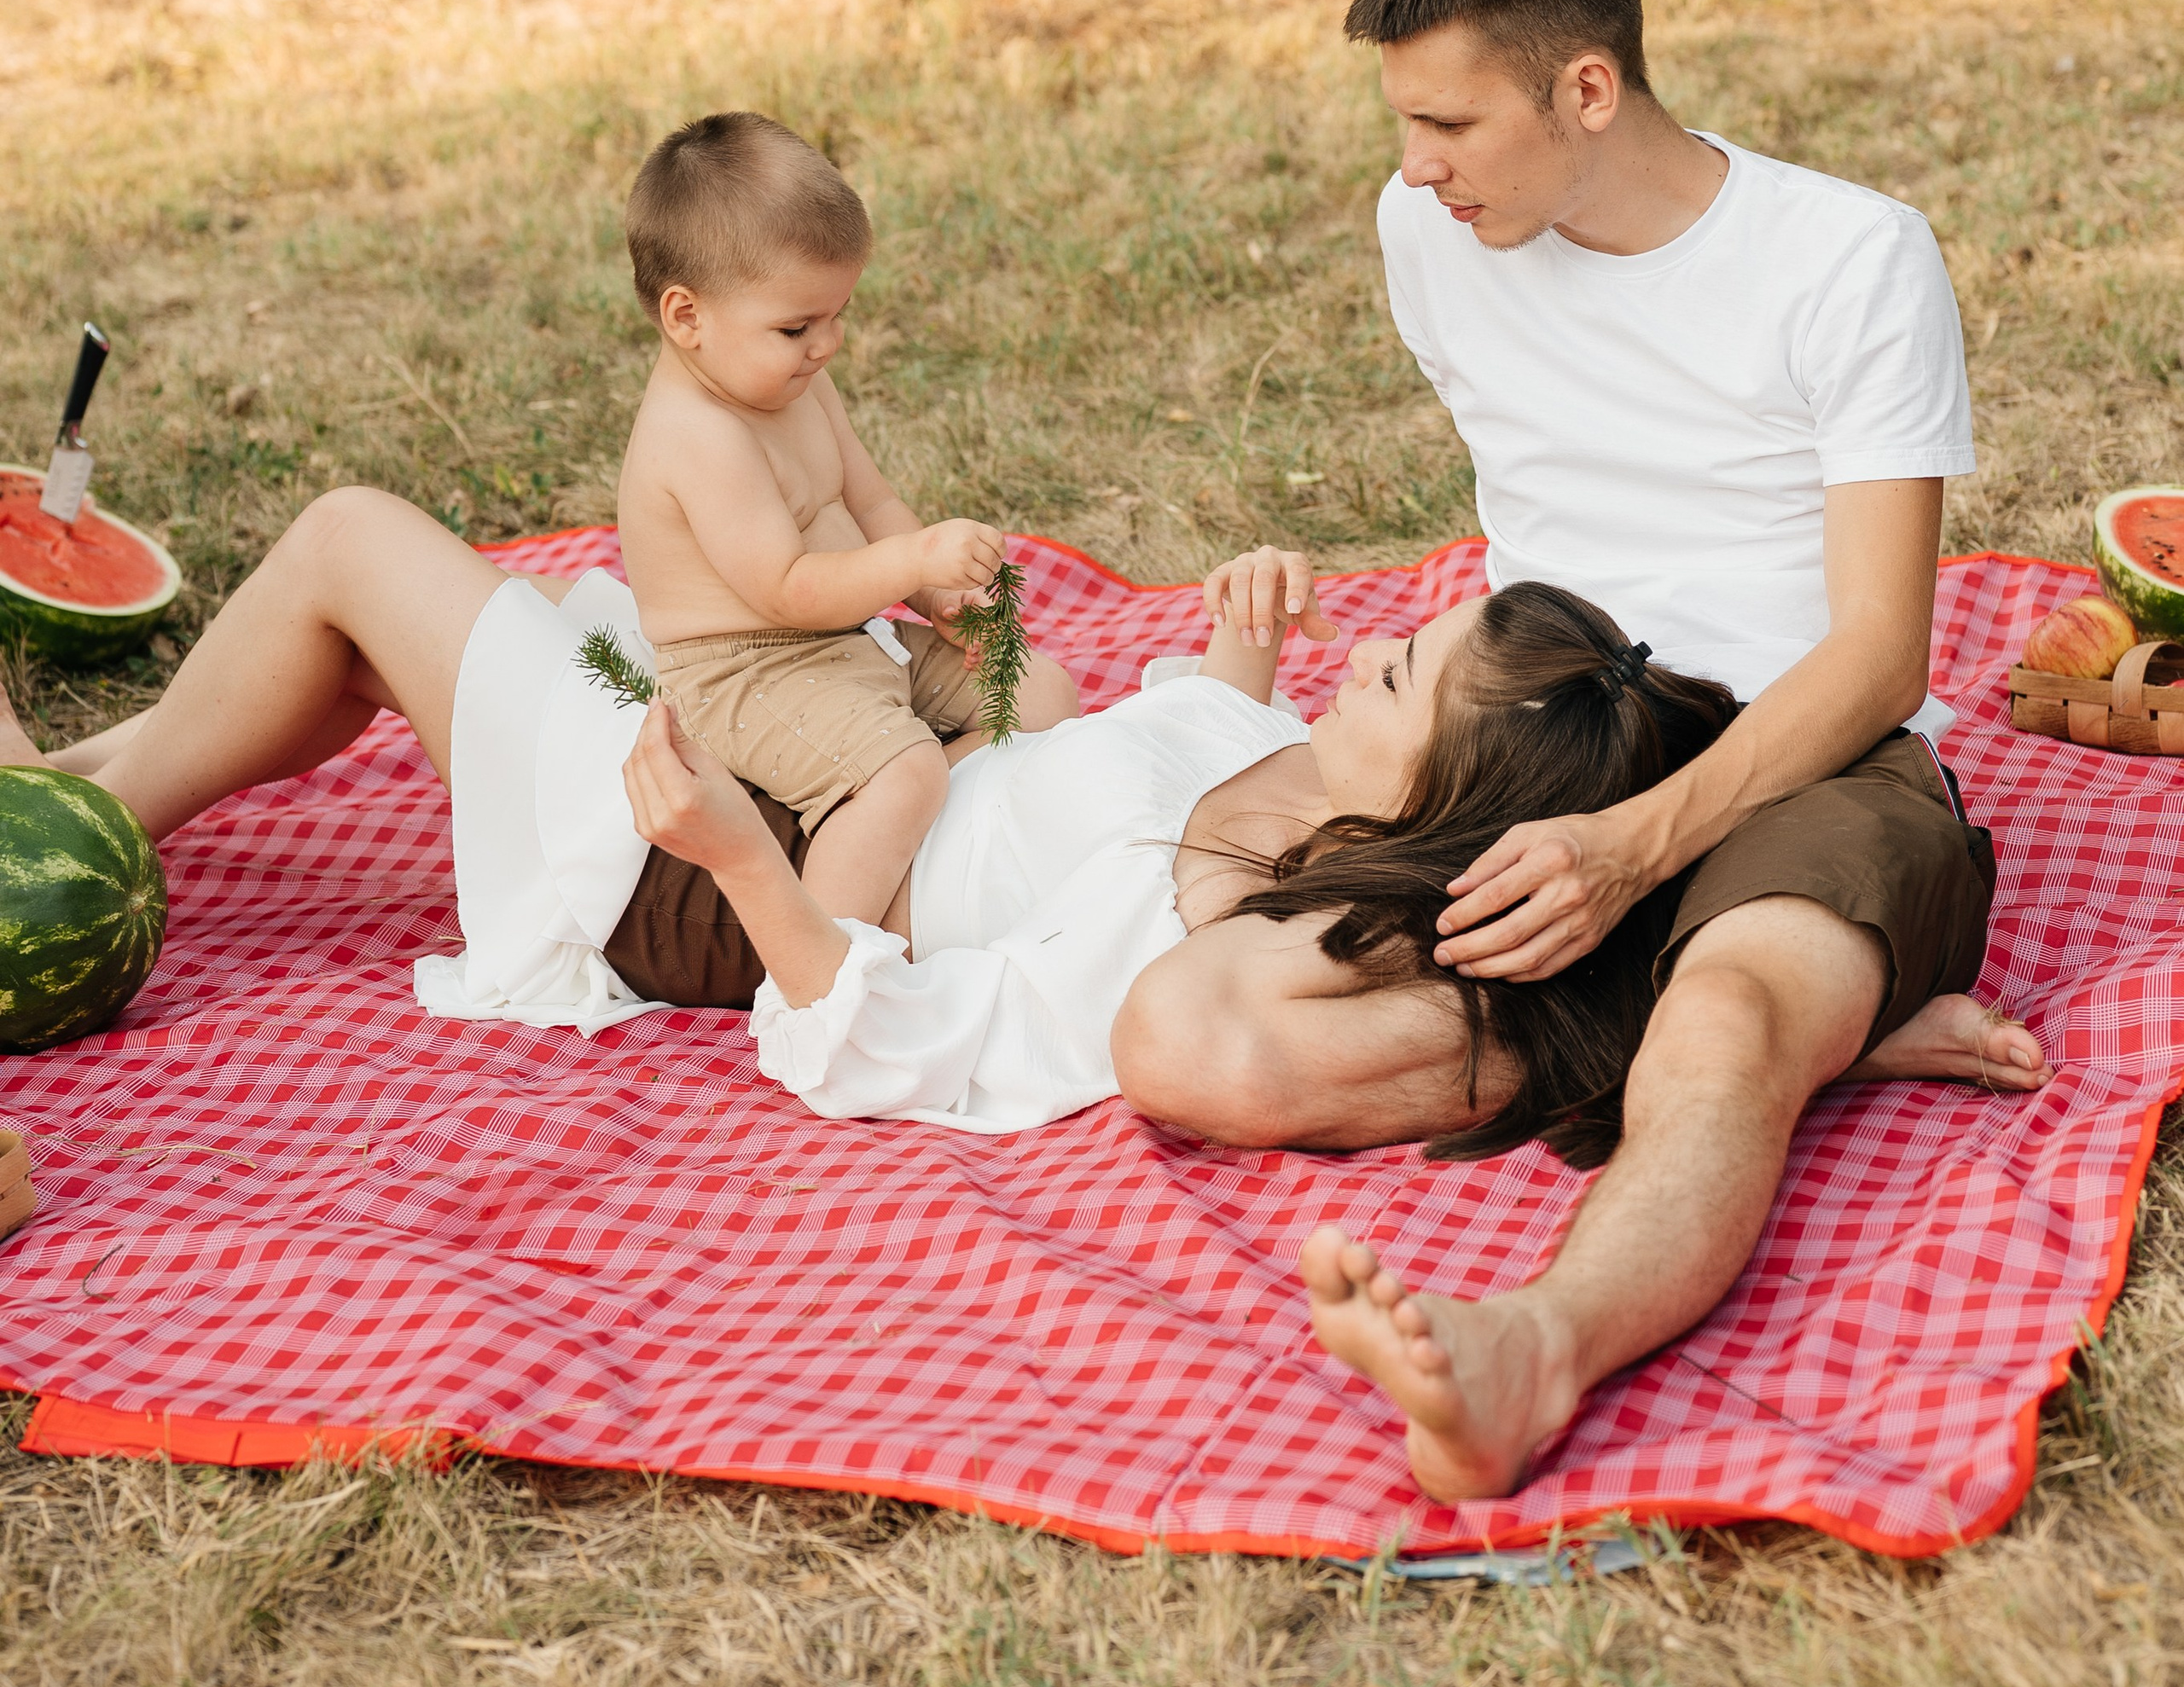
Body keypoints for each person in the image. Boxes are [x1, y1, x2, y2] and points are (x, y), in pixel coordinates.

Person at [0, 498, 2039, 1162]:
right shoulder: (1267, 755)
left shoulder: (1198, 926)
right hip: (813, 759)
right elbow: (1099, 750)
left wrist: (730, 858)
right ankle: (68, 794)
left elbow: (889, 1038)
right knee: (366, 637)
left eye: (1405, 675)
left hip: (684, 875)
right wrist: (1213, 660)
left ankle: (61, 814)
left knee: (353, 548)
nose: (1382, 641)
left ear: (1439, 804)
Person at [1290, 0, 2048, 1504]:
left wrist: (1632, 850)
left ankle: (1533, 1348)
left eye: (1450, 123)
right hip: (1541, 731)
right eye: (1403, 123)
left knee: (1721, 1021)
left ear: (1587, 88)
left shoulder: (1848, 259)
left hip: (1805, 755)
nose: (1414, 167)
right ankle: (1832, 1037)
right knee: (1193, 1042)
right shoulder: (1430, 230)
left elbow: (1880, 655)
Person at [616, 110, 1076, 926]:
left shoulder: (794, 380)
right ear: (687, 318)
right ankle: (822, 961)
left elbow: (870, 503)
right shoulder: (699, 436)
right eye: (797, 326)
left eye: (839, 314)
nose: (827, 343)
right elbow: (788, 590)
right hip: (747, 675)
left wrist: (937, 595)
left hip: (848, 644)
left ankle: (916, 839)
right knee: (905, 772)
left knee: (1039, 695)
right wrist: (914, 564)